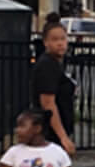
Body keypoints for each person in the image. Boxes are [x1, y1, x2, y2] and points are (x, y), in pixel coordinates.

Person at [31, 14, 77, 158]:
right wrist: (62, 136)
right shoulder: (47, 65)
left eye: (63, 39)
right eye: (55, 40)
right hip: (49, 135)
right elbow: (48, 103)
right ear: (46, 42)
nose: (60, 43)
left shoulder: (56, 64)